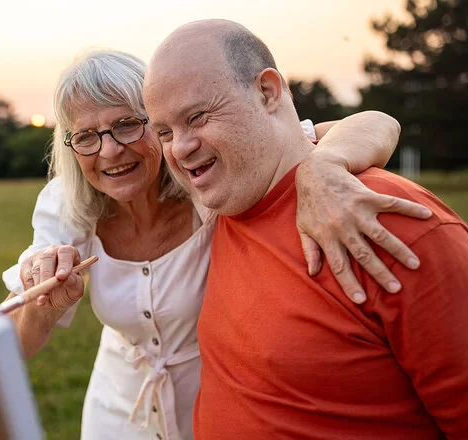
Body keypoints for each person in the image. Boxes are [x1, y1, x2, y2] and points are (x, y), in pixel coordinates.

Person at [0, 51, 431, 440]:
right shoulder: (67, 205)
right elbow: (15, 346)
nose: (110, 151)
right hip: (115, 416)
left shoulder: (208, 177)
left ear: (158, 120)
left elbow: (376, 122)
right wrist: (47, 304)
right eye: (87, 136)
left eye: (128, 124)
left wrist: (324, 165)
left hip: (214, 410)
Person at [143, 19, 468, 439]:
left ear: (267, 92)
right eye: (165, 132)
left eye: (198, 117)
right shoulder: (222, 202)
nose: (180, 148)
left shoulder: (388, 219)